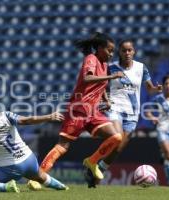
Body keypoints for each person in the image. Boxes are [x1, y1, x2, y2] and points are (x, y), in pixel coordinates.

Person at [28, 32, 125, 190]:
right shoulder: (91, 59)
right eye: (109, 50)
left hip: (93, 113)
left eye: (113, 51)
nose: (111, 54)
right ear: (99, 48)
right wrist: (112, 77)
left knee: (116, 137)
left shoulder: (105, 65)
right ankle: (37, 178)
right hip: (78, 110)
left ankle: (92, 161)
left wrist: (106, 101)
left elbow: (101, 87)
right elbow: (87, 79)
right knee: (63, 146)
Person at [85, 39, 162, 187]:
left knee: (118, 148)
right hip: (115, 109)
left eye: (130, 50)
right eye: (124, 50)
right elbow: (99, 86)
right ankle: (93, 162)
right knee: (117, 138)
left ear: (134, 51)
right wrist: (105, 100)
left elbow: (149, 88)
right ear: (119, 52)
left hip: (132, 114)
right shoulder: (111, 67)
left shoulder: (141, 68)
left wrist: (156, 89)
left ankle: (97, 169)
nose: (127, 53)